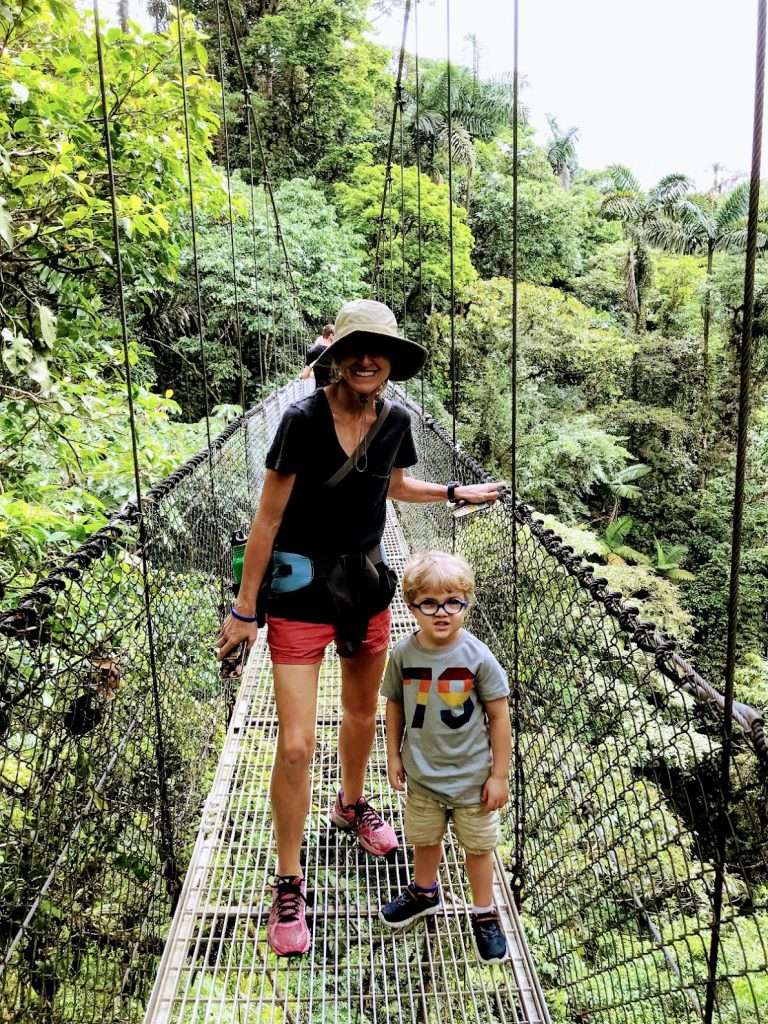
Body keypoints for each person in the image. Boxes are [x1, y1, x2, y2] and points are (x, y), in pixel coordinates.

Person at [216, 299, 503, 957]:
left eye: (381, 351)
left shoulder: (395, 418)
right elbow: (265, 521)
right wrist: (244, 608)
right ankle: (289, 881)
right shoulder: (301, 420)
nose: (369, 359)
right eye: (357, 348)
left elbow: (396, 486)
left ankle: (351, 804)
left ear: (390, 362)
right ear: (338, 355)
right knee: (294, 746)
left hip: (368, 591)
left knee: (362, 715)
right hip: (298, 594)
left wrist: (454, 493)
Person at [379, 551, 511, 965]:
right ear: (411, 606)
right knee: (425, 839)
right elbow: (395, 705)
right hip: (422, 776)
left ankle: (484, 912)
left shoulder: (479, 657)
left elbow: (499, 715)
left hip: (473, 780)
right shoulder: (402, 654)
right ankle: (425, 893)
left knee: (477, 848)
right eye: (429, 603)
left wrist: (500, 776)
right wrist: (393, 756)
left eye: (453, 601)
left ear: (467, 603)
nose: (442, 612)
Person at [299, 323, 334, 388]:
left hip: (320, 393)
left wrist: (302, 375)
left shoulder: (313, 351)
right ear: (331, 335)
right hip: (338, 394)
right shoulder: (339, 351)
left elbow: (305, 376)